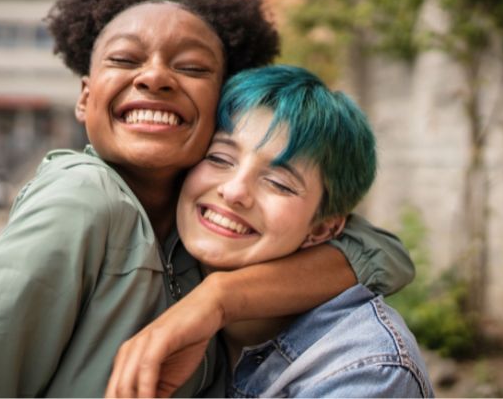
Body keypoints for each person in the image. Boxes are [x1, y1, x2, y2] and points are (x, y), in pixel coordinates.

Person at [0, 0, 414, 398]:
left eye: (191, 68)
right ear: (84, 98)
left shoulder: (192, 220)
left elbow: (383, 253)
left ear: (217, 105)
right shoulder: (82, 199)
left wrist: (216, 297)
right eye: (125, 60)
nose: (154, 77)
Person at [108, 66, 434, 398]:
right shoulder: (151, 261)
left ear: (322, 228)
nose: (234, 191)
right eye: (219, 158)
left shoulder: (365, 370)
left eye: (278, 182)